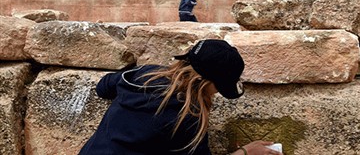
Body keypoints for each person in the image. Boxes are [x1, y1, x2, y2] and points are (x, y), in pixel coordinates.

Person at [79, 39, 282, 155]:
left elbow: (103, 87)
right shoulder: (187, 116)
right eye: (219, 86)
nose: (219, 92)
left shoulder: (143, 75)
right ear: (203, 81)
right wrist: (246, 152)